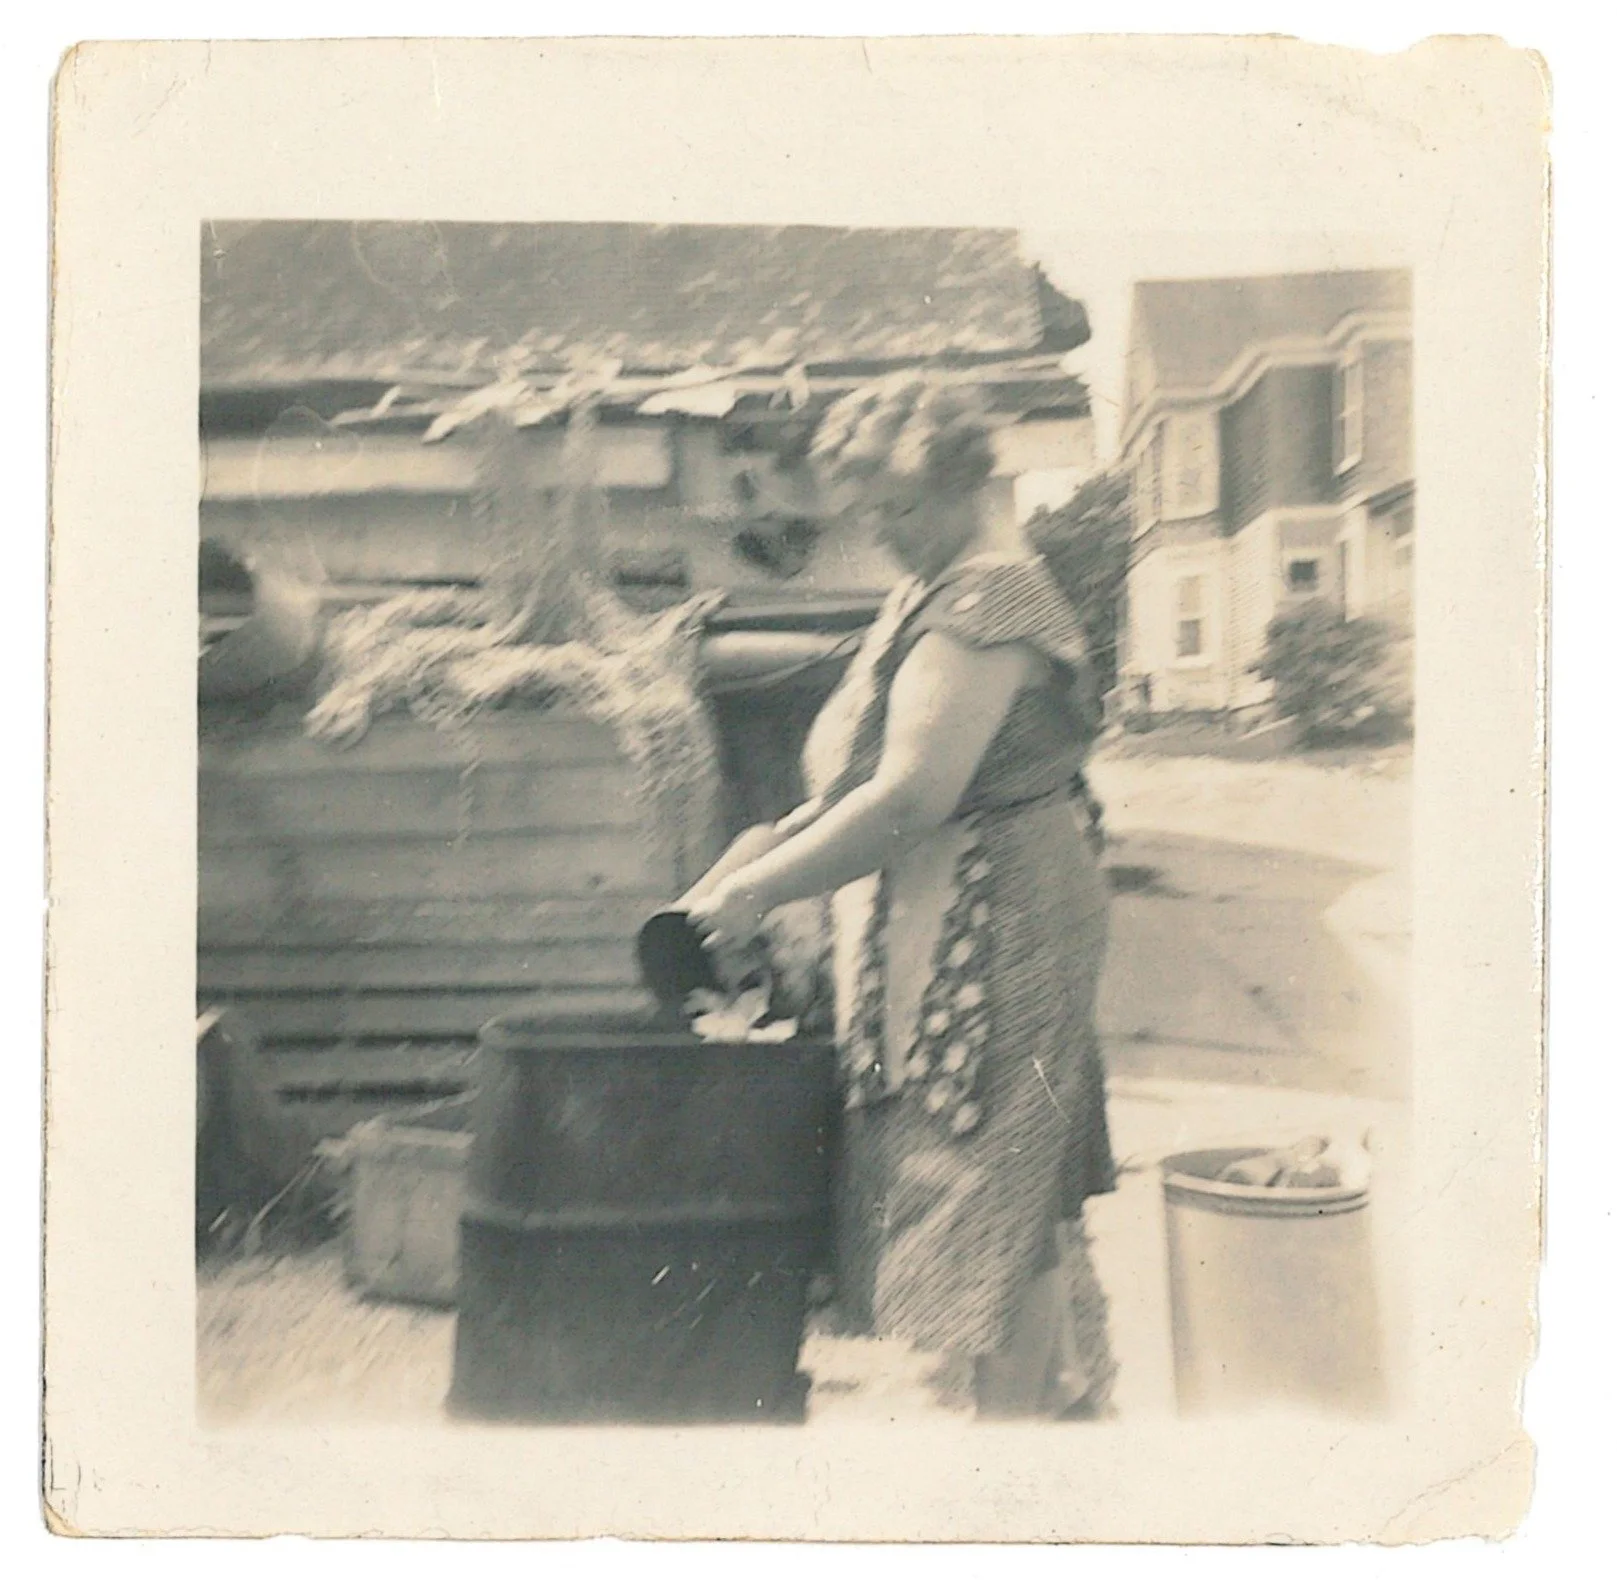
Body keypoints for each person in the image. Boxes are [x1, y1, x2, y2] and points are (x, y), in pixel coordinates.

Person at [685, 375, 1117, 1419]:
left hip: (1001, 911)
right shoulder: (927, 590)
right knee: (1000, 1173)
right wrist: (767, 846)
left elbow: (911, 795)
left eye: (902, 508)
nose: (885, 533)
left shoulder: (988, 599)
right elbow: (858, 776)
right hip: (949, 901)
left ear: (970, 482)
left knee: (991, 1174)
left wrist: (759, 892)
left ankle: (1018, 1442)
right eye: (870, 513)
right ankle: (1045, 1399)